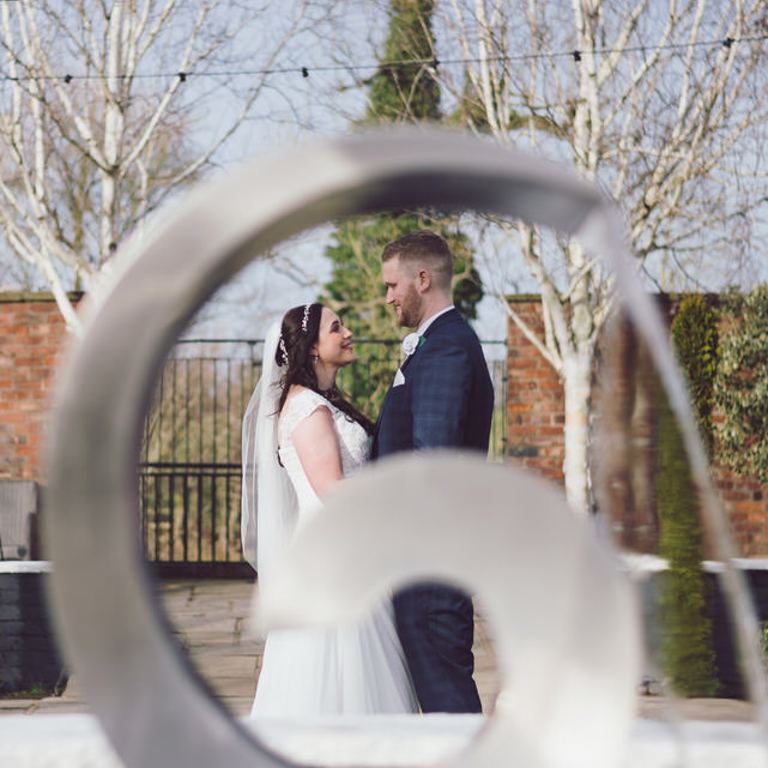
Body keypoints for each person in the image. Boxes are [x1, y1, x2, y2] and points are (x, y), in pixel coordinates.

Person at [241, 302, 418, 717]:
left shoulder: (321, 401)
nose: (348, 332)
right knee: (340, 673)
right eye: (336, 328)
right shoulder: (308, 409)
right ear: (314, 349)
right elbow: (332, 490)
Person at [372, 230, 495, 714]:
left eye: (391, 285)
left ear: (422, 279)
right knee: (440, 699)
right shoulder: (440, 343)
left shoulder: (446, 348)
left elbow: (432, 461)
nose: (387, 297)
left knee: (446, 702)